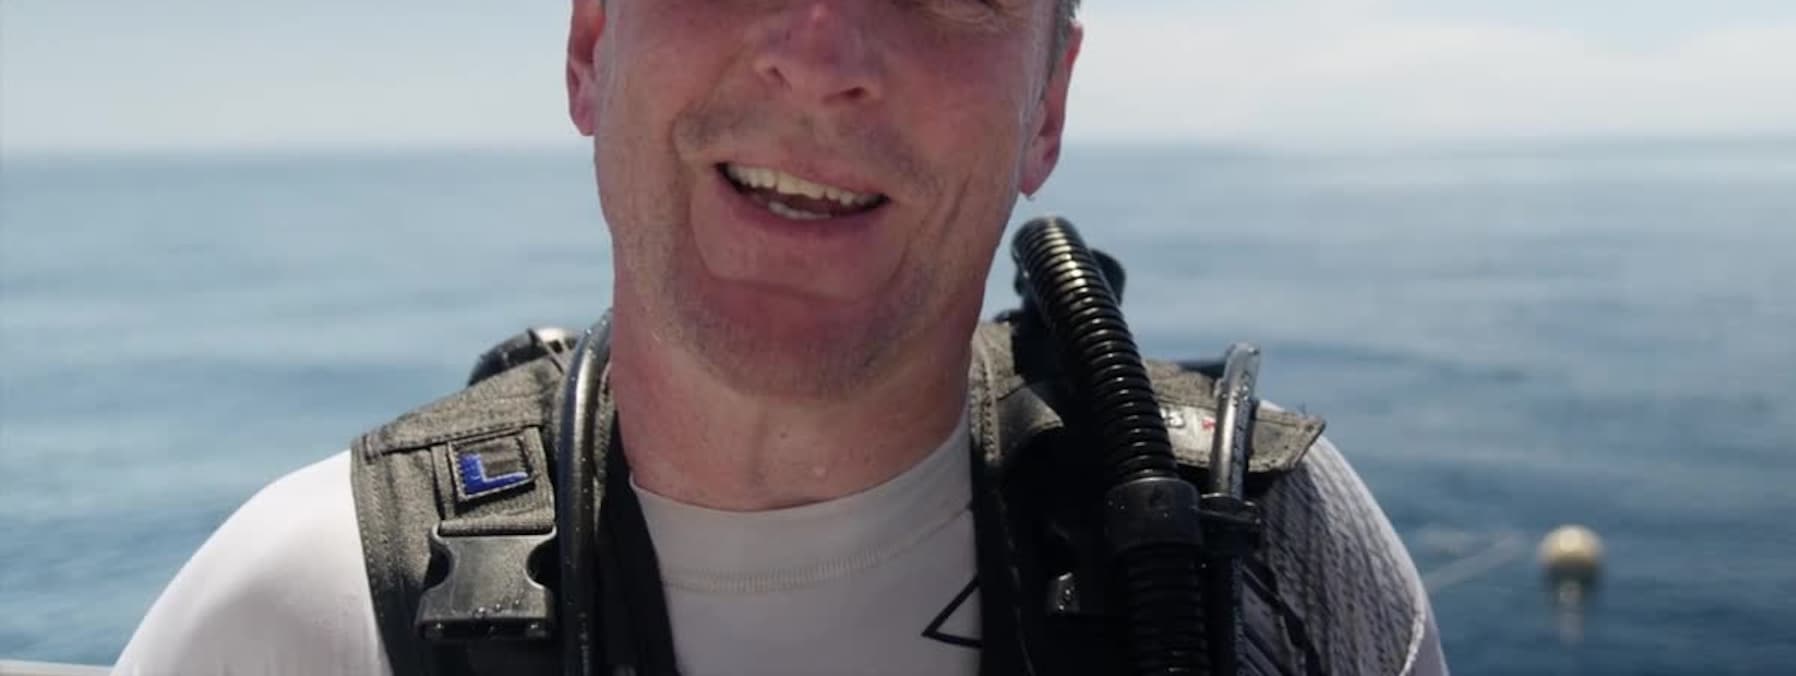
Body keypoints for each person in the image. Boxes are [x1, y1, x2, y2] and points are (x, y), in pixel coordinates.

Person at [115, 0, 1448, 674]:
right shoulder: (306, 612)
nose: (820, 54)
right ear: (590, 45)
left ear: (1047, 105)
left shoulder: (1268, 560)